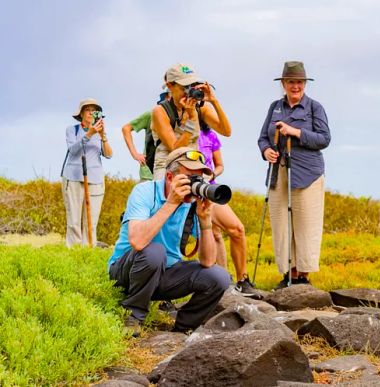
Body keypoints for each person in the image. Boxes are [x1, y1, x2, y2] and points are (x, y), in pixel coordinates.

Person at [107, 147, 231, 336]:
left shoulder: (192, 204)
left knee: (219, 277)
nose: (194, 184)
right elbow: (138, 242)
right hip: (128, 272)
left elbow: (207, 261)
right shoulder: (145, 191)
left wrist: (206, 223)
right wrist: (171, 203)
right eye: (190, 178)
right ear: (170, 177)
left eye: (199, 179)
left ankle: (182, 329)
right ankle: (133, 315)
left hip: (163, 274)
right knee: (155, 252)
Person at [257, 61, 331, 289]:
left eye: (299, 82)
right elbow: (262, 137)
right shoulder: (275, 106)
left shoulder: (314, 108)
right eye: (291, 82)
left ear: (304, 84)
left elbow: (324, 139)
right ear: (284, 84)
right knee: (281, 225)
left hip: (307, 174)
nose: (295, 86)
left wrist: (295, 132)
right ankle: (288, 274)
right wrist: (266, 151)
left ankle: (304, 277)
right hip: (278, 173)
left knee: (306, 225)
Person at [198, 126, 260, 297]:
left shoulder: (209, 135)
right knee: (208, 234)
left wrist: (210, 174)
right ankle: (218, 281)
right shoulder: (180, 128)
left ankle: (242, 280)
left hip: (208, 188)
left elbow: (220, 165)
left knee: (236, 229)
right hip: (185, 189)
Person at [151, 63, 231, 180]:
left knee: (206, 195)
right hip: (168, 164)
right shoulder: (160, 111)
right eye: (185, 87)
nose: (189, 91)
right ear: (170, 86)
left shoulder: (200, 108)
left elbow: (226, 131)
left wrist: (214, 101)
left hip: (193, 163)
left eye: (193, 85)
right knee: (166, 195)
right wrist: (192, 119)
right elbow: (176, 150)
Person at [60, 98, 112, 247]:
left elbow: (108, 154)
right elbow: (73, 150)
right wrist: (89, 134)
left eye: (94, 110)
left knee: (91, 222)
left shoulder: (100, 133)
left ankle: (88, 251)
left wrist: (103, 136)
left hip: (95, 180)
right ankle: (74, 253)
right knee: (74, 221)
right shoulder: (72, 130)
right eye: (88, 109)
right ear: (81, 113)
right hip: (73, 177)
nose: (91, 112)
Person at [121, 91, 169, 182]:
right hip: (149, 173)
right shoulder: (151, 114)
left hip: (169, 171)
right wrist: (135, 154)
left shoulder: (180, 117)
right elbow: (126, 129)